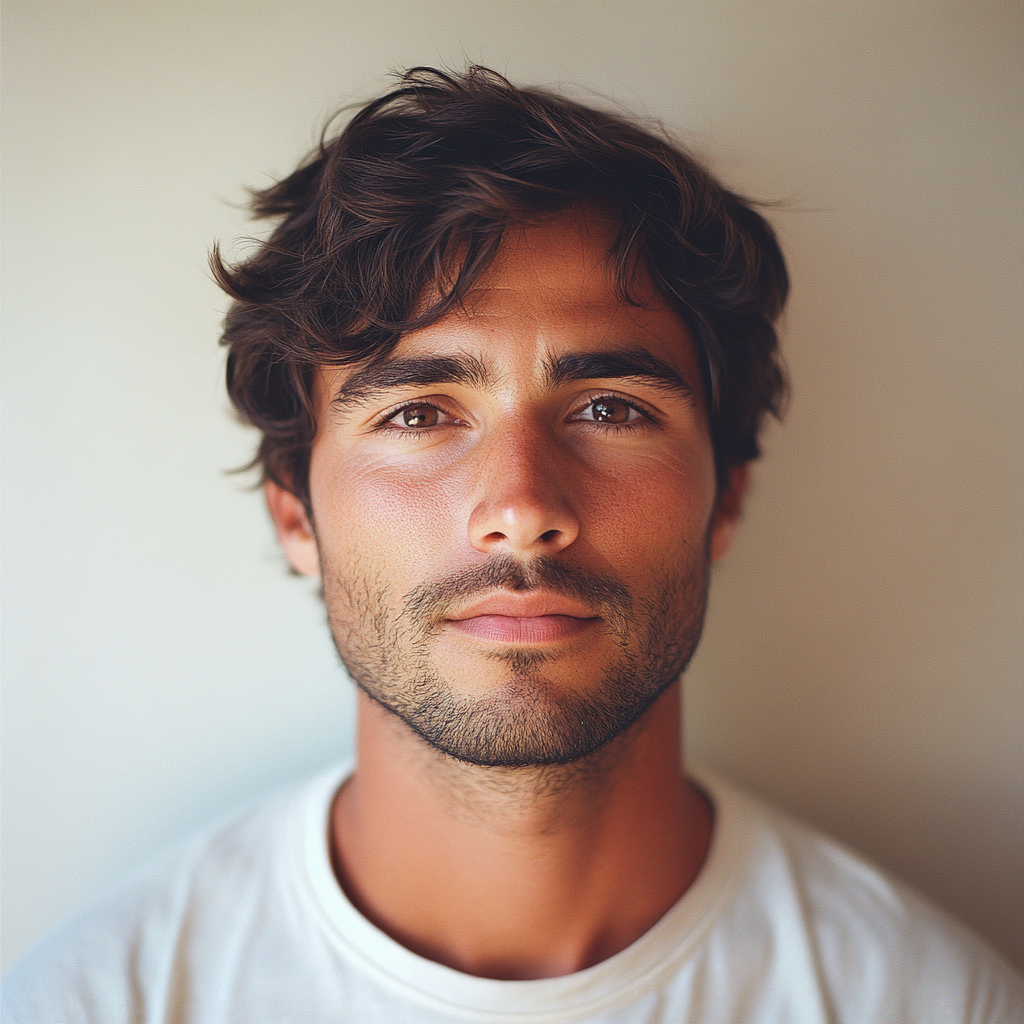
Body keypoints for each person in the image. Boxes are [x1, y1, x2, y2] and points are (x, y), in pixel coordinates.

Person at [4, 65, 1022, 1024]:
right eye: (418, 414)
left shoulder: (926, 1000)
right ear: (294, 516)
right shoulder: (98, 999)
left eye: (611, 408)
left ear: (724, 500)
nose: (522, 506)